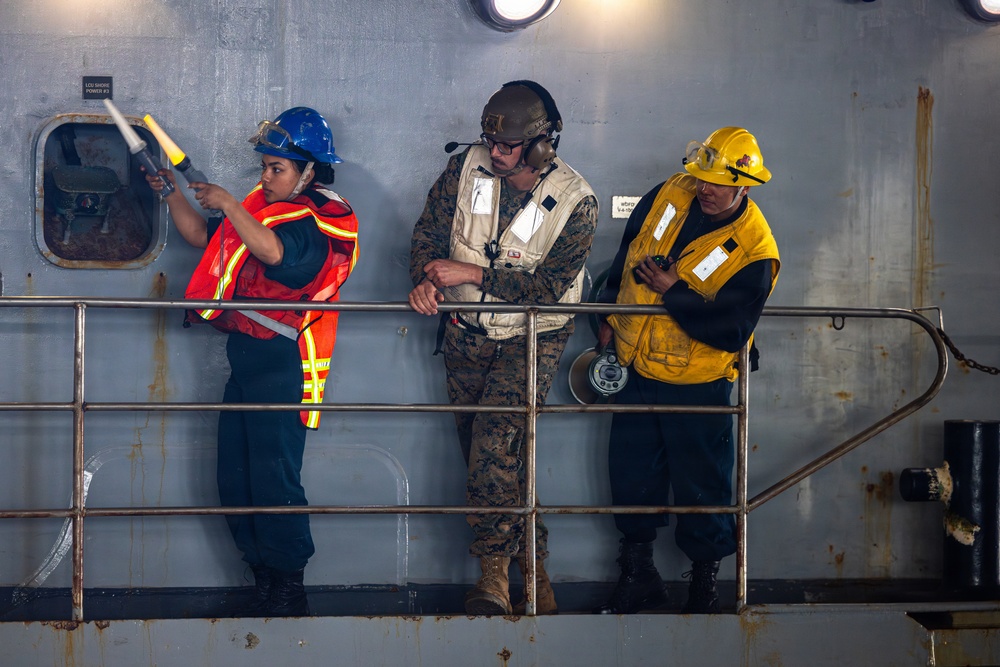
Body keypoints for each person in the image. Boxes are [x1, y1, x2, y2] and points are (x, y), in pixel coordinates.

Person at [146, 107, 359, 616]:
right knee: (235, 475)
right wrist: (170, 191)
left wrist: (228, 202)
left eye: (276, 168)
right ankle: (261, 572)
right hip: (246, 362)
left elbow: (276, 256)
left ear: (309, 171)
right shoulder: (261, 206)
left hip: (282, 362)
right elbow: (204, 237)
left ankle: (289, 585)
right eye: (264, 166)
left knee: (274, 478)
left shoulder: (319, 218)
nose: (265, 176)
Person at [408, 81, 598, 615]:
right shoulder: (465, 168)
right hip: (466, 329)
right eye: (491, 141)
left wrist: (471, 271)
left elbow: (545, 290)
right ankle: (535, 572)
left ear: (541, 145)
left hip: (533, 336)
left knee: (494, 446)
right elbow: (427, 233)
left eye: (508, 146)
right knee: (490, 458)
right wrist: (425, 279)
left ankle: (492, 579)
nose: (495, 152)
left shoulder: (578, 202)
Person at [594, 127, 779, 614]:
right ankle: (637, 576)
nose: (705, 189)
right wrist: (608, 318)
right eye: (702, 177)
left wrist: (674, 289)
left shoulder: (755, 250)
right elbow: (628, 252)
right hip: (635, 367)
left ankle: (704, 590)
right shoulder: (670, 192)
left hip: (699, 383)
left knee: (704, 488)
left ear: (745, 186)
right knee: (631, 476)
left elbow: (731, 330)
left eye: (717, 183)